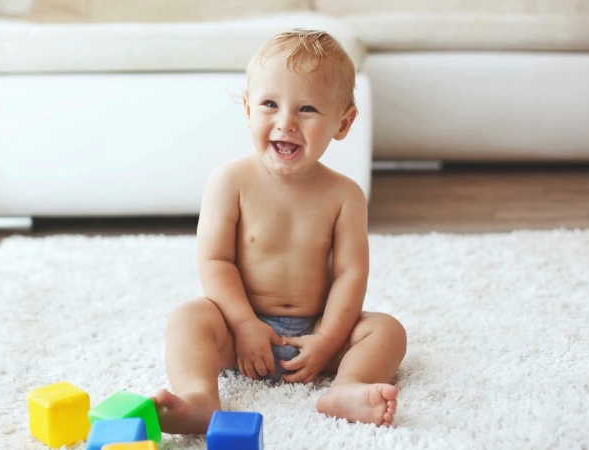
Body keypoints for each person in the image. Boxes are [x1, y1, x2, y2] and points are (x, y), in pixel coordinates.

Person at [153, 29, 407, 435]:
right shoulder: (229, 182)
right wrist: (243, 324)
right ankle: (200, 399)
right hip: (240, 335)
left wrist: (328, 338)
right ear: (248, 109)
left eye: (307, 109)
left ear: (343, 123)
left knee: (387, 331)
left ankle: (345, 388)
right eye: (270, 104)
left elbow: (350, 274)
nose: (285, 122)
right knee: (188, 317)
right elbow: (215, 261)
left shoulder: (345, 195)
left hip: (317, 334)